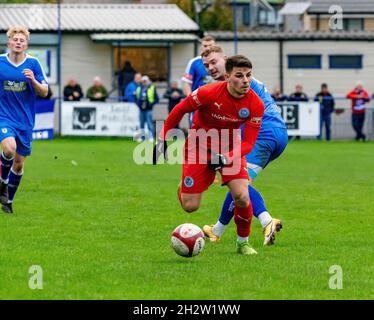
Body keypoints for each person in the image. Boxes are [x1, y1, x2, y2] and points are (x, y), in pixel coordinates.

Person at [154, 55, 265, 255]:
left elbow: (248, 142)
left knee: (241, 196)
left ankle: (243, 243)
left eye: (248, 75)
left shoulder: (255, 104)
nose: (246, 80)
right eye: (239, 76)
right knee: (190, 207)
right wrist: (162, 137)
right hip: (199, 146)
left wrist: (226, 158)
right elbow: (179, 109)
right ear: (228, 76)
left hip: (231, 149)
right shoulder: (208, 92)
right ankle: (185, 187)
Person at [200, 45, 287, 245]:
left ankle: (267, 220)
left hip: (262, 133)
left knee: (240, 184)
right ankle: (216, 231)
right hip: (277, 134)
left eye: (214, 62)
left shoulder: (237, 82)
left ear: (226, 60)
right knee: (236, 183)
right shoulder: (236, 82)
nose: (210, 68)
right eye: (206, 65)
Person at [0, 26, 48, 214]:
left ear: (26, 44)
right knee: (9, 148)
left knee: (19, 164)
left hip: (25, 121)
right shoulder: (1, 62)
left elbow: (44, 92)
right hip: (4, 117)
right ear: (9, 43)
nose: (18, 42)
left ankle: (8, 202)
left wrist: (33, 81)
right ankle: (2, 182)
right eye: (15, 39)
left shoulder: (34, 64)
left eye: (22, 40)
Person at [182, 35, 216, 126]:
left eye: (210, 45)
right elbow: (186, 82)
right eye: (205, 46)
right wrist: (191, 100)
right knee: (195, 131)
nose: (208, 48)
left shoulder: (222, 61)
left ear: (215, 46)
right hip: (198, 102)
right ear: (201, 47)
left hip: (216, 103)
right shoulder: (194, 62)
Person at [135, 75, 159, 142]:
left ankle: (151, 137)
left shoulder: (152, 88)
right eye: (143, 81)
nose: (144, 82)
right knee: (141, 124)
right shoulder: (139, 88)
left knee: (149, 123)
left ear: (148, 81)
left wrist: (151, 104)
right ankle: (142, 137)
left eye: (145, 81)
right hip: (141, 109)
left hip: (149, 109)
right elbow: (136, 97)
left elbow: (156, 99)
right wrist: (138, 104)